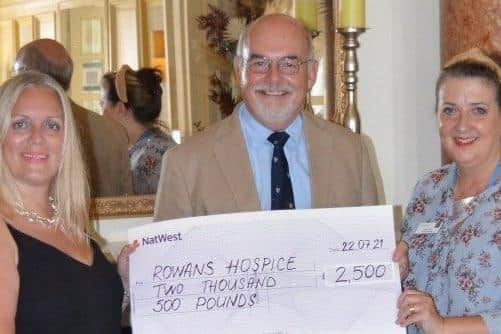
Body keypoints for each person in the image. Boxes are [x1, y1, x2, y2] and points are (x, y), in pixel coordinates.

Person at [154, 14, 378, 220]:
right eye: (259, 63)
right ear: (238, 71)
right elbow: (165, 260)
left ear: (311, 74)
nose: (273, 78)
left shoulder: (353, 153)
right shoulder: (184, 164)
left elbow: (372, 251)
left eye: (289, 64)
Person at [0, 71, 137, 334]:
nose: (37, 136)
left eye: (52, 125)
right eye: (20, 124)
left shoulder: (67, 220)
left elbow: (74, 314)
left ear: (67, 142)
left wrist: (123, 282)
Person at [395, 48, 500, 334]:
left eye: (479, 110)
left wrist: (442, 326)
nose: (462, 124)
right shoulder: (428, 188)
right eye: (449, 110)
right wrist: (395, 268)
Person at [13, 39, 133, 197]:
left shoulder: (13, 130)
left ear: (27, 73)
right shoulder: (114, 131)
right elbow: (127, 204)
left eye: (15, 74)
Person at [100, 65, 177, 194]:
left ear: (119, 108)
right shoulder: (148, 148)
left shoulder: (154, 157)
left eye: (103, 104)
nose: (102, 114)